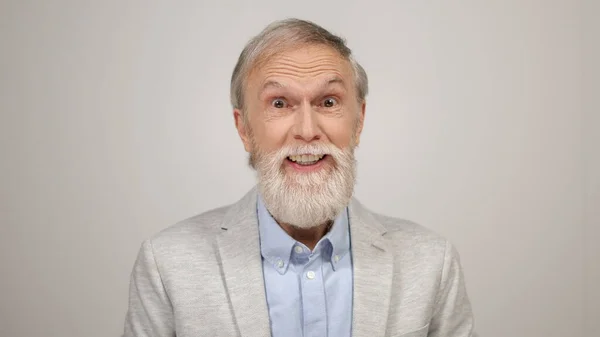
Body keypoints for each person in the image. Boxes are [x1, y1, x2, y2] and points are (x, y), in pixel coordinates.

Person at [123, 18, 476, 337]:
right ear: (244, 128)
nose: (307, 131)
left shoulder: (432, 262)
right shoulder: (166, 263)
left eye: (328, 102)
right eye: (279, 103)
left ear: (359, 122)